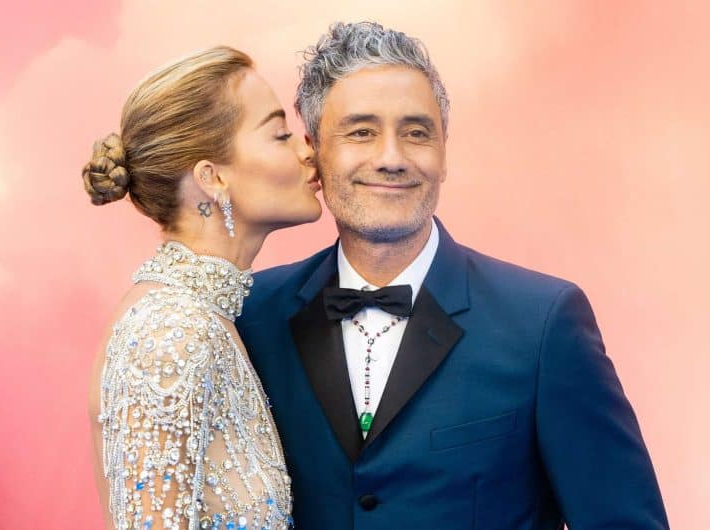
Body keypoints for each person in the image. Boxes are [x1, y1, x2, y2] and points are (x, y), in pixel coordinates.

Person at [236, 22, 669, 529]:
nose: (392, 158)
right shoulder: (253, 315)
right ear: (313, 153)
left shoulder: (543, 324)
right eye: (361, 132)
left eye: (416, 133)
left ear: (444, 152)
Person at [85, 46, 321, 530]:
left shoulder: (206, 319)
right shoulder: (169, 331)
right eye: (280, 135)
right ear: (211, 178)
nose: (307, 151)